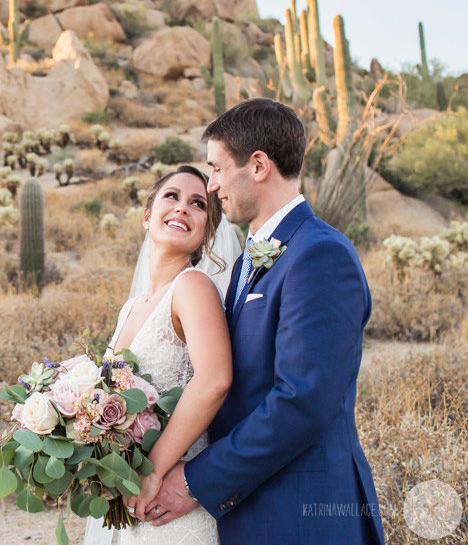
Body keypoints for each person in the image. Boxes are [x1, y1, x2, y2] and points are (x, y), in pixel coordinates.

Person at [140, 99, 385, 544]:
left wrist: (194, 480)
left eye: (216, 169)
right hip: (251, 508)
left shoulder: (320, 255)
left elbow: (301, 401)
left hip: (302, 516)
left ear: (257, 166)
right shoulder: (251, 258)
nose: (212, 186)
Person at [83, 165, 232, 545]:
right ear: (146, 217)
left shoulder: (193, 287)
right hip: (126, 498)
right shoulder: (130, 308)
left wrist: (152, 472)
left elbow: (214, 380)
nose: (182, 208)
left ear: (207, 231)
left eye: (198, 204)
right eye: (172, 196)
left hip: (166, 502)